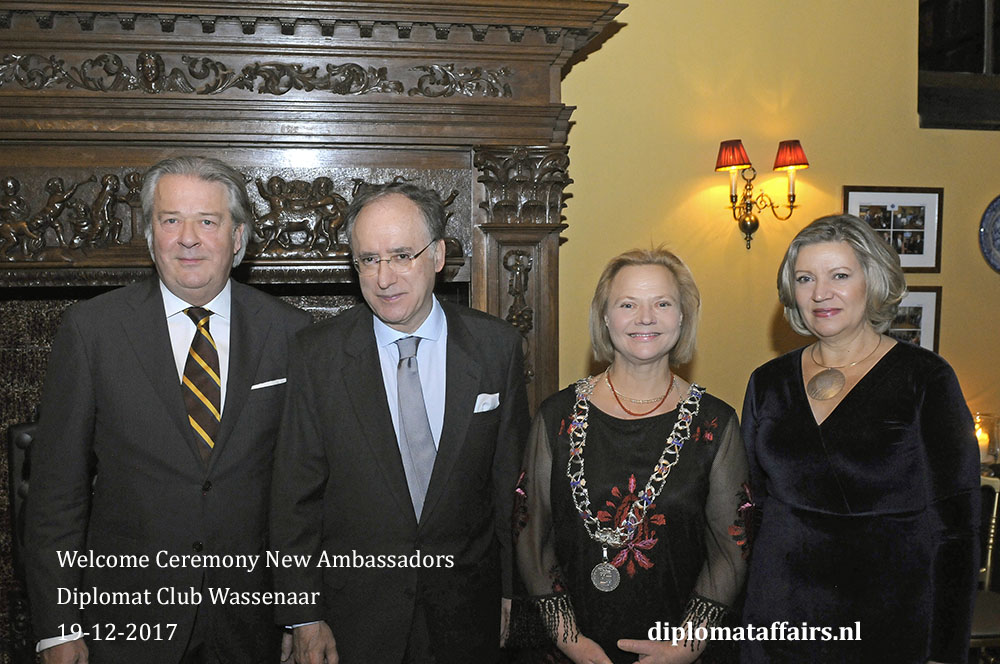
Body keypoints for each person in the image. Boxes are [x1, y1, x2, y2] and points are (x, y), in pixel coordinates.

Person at [23, 156, 311, 663]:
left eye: (208, 221)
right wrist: (57, 626)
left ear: (238, 238)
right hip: (125, 622)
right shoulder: (92, 332)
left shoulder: (292, 334)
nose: (188, 238)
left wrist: (300, 610)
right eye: (170, 220)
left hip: (251, 623)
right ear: (150, 235)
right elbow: (55, 496)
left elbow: (308, 492)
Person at [269, 181, 530, 664]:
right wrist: (303, 614)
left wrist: (512, 591)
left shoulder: (497, 349)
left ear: (438, 256)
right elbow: (293, 499)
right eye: (369, 259)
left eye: (402, 255)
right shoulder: (316, 355)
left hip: (468, 612)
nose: (384, 277)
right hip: (354, 618)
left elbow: (509, 485)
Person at [740, 214, 980, 664]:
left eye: (840, 276)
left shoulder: (925, 379)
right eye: (805, 278)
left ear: (872, 281)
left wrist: (945, 652)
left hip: (889, 619)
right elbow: (750, 510)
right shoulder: (767, 382)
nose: (820, 293)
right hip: (778, 616)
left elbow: (958, 529)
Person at [515, 248, 749, 664]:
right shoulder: (557, 416)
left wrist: (686, 647)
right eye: (628, 304)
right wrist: (569, 640)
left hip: (677, 648)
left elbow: (730, 551)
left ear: (682, 318)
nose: (646, 318)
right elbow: (531, 535)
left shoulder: (716, 424)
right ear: (605, 318)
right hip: (571, 648)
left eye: (662, 303)